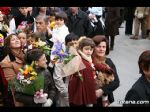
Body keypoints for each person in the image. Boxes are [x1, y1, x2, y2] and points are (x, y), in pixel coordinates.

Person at [92, 35, 120, 107]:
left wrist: (102, 90)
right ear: (93, 48)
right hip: (90, 98)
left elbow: (116, 82)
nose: (101, 49)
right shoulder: (89, 61)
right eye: (98, 46)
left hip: (104, 99)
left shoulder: (108, 62)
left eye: (104, 47)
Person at [53, 32, 79, 107]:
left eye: (75, 43)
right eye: (71, 44)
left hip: (78, 89)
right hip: (66, 89)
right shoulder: (61, 57)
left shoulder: (80, 54)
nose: (73, 46)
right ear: (65, 44)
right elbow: (57, 77)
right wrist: (64, 91)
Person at [68, 38, 97, 107]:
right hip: (80, 88)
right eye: (86, 49)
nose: (89, 51)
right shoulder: (79, 59)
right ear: (81, 49)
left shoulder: (89, 58)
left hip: (88, 86)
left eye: (91, 49)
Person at [0, 34, 24, 106]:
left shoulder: (27, 53)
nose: (16, 40)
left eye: (17, 39)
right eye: (13, 40)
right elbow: (13, 83)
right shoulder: (6, 62)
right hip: (21, 94)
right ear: (9, 45)